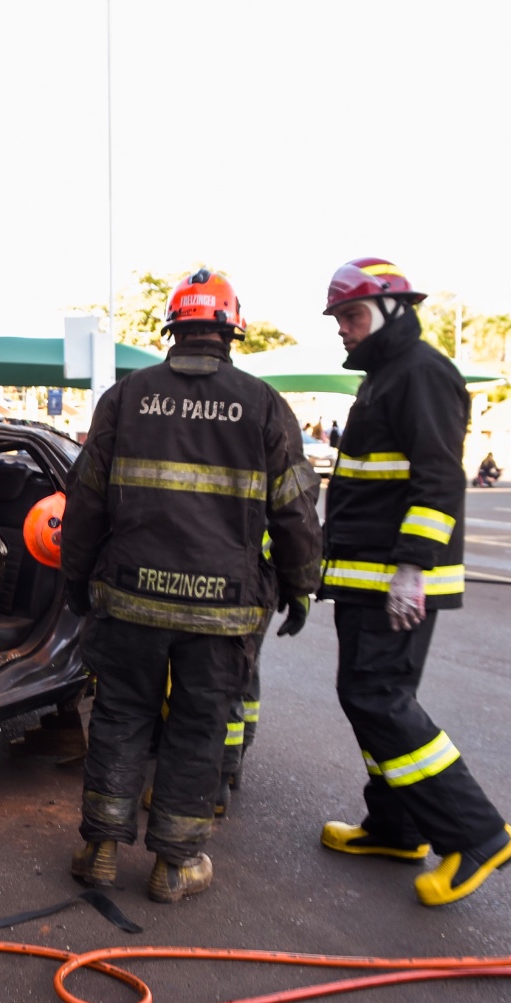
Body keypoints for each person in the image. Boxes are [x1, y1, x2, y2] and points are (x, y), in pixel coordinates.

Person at [59, 268, 323, 903]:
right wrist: (300, 586)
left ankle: (100, 848)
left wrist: (76, 581)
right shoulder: (263, 404)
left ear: (173, 329)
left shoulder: (126, 397)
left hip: (131, 599)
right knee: (199, 727)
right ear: (230, 332)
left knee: (121, 715)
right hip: (222, 611)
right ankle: (174, 864)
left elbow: (85, 501)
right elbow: (294, 508)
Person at [317, 258, 511, 906]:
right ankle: (395, 828)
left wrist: (412, 568)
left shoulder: (420, 372)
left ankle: (477, 835)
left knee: (378, 697)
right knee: (367, 697)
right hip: (367, 577)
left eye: (352, 315)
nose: (343, 328)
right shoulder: (386, 376)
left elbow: (439, 479)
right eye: (339, 318)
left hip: (393, 581)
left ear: (392, 311)